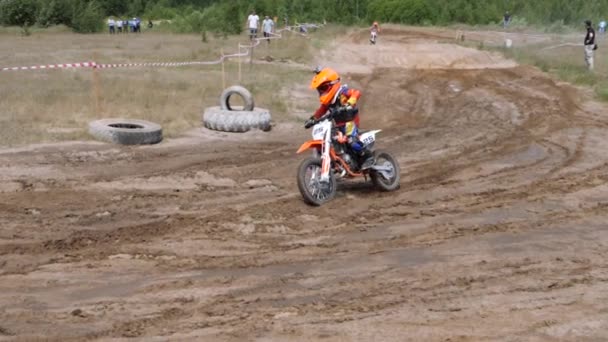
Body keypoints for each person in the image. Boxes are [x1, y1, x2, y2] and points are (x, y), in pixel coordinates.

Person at [306, 67, 374, 170]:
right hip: (337, 126)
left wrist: (350, 103)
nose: (322, 92)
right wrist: (313, 119)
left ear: (332, 84)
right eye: (320, 90)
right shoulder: (327, 102)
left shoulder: (342, 92)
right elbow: (321, 111)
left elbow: (356, 93)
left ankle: (367, 156)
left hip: (350, 122)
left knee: (352, 141)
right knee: (330, 140)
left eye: (323, 88)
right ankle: (335, 163)